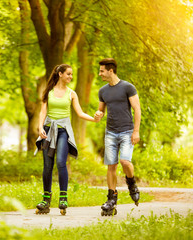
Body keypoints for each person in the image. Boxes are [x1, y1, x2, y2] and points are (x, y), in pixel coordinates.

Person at [34, 64, 97, 215]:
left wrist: (94, 119)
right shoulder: (48, 91)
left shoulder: (72, 94)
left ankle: (63, 198)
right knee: (47, 166)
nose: (71, 76)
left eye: (72, 74)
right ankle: (46, 200)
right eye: (68, 74)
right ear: (60, 74)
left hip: (63, 131)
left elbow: (80, 113)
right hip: (48, 129)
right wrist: (40, 128)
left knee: (61, 162)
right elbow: (42, 112)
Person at [94, 58, 141, 216]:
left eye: (102, 71)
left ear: (110, 71)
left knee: (125, 162)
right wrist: (98, 114)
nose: (100, 73)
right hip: (110, 132)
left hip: (127, 131)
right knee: (111, 166)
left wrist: (136, 131)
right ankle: (111, 198)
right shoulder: (103, 91)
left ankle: (131, 182)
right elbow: (101, 110)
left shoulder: (128, 87)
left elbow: (137, 109)